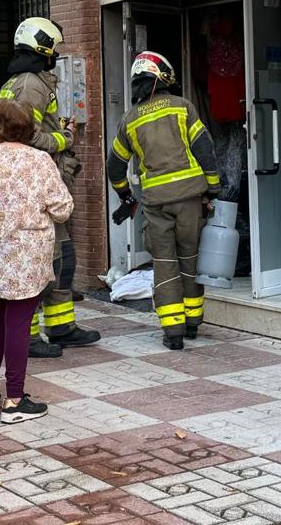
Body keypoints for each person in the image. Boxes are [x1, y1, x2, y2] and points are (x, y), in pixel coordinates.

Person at [0, 100, 73, 424]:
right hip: (27, 255)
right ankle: (15, 400)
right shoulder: (41, 161)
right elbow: (63, 208)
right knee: (18, 323)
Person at [0, 17, 100, 358]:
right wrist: (64, 138)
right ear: (42, 46)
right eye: (53, 47)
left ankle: (61, 327)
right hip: (36, 185)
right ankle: (26, 338)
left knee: (63, 259)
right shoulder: (29, 85)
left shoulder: (26, 81)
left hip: (45, 182)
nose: (56, 53)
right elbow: (24, 134)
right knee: (42, 263)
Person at [106, 51, 220, 350]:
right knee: (190, 260)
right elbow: (205, 149)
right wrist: (213, 189)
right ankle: (193, 323)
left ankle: (173, 333)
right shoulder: (183, 108)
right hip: (190, 201)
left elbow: (115, 166)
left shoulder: (129, 120)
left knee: (165, 265)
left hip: (156, 205)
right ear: (164, 77)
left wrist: (125, 195)